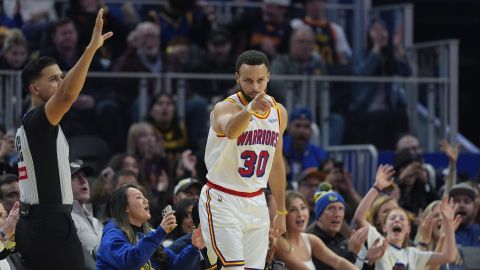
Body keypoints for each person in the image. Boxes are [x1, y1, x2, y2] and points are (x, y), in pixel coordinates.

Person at [14, 9, 112, 269]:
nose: (62, 82)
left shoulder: (30, 125)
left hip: (37, 222)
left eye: (62, 76)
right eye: (54, 79)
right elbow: (67, 96)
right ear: (35, 88)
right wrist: (91, 49)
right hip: (49, 223)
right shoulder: (37, 122)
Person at [199, 50, 287, 269]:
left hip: (256, 201)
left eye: (260, 80)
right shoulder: (224, 107)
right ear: (237, 77)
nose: (255, 87)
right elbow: (230, 131)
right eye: (248, 80)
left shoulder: (279, 112)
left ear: (268, 78)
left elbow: (276, 164)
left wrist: (281, 211)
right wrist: (249, 110)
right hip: (222, 199)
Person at [353, 165, 458, 269]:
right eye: (392, 218)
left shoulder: (413, 253)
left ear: (408, 228)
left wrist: (448, 225)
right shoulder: (378, 241)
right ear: (384, 227)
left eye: (402, 218)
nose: (397, 219)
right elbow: (359, 218)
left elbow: (449, 256)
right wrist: (376, 187)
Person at [96, 184, 204, 269]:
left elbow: (175, 266)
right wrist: (159, 233)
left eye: (145, 197)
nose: (146, 200)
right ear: (125, 207)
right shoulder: (112, 234)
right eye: (139, 197)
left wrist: (193, 248)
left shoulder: (147, 235)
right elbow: (130, 263)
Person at [274, 191, 357, 269]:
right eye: (293, 210)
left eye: (303, 208)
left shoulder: (311, 240)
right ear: (283, 215)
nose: (300, 214)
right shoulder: (279, 243)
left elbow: (338, 262)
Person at [69, 159, 103, 259]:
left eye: (84, 177)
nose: (83, 180)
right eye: (75, 177)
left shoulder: (96, 222)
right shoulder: (67, 220)